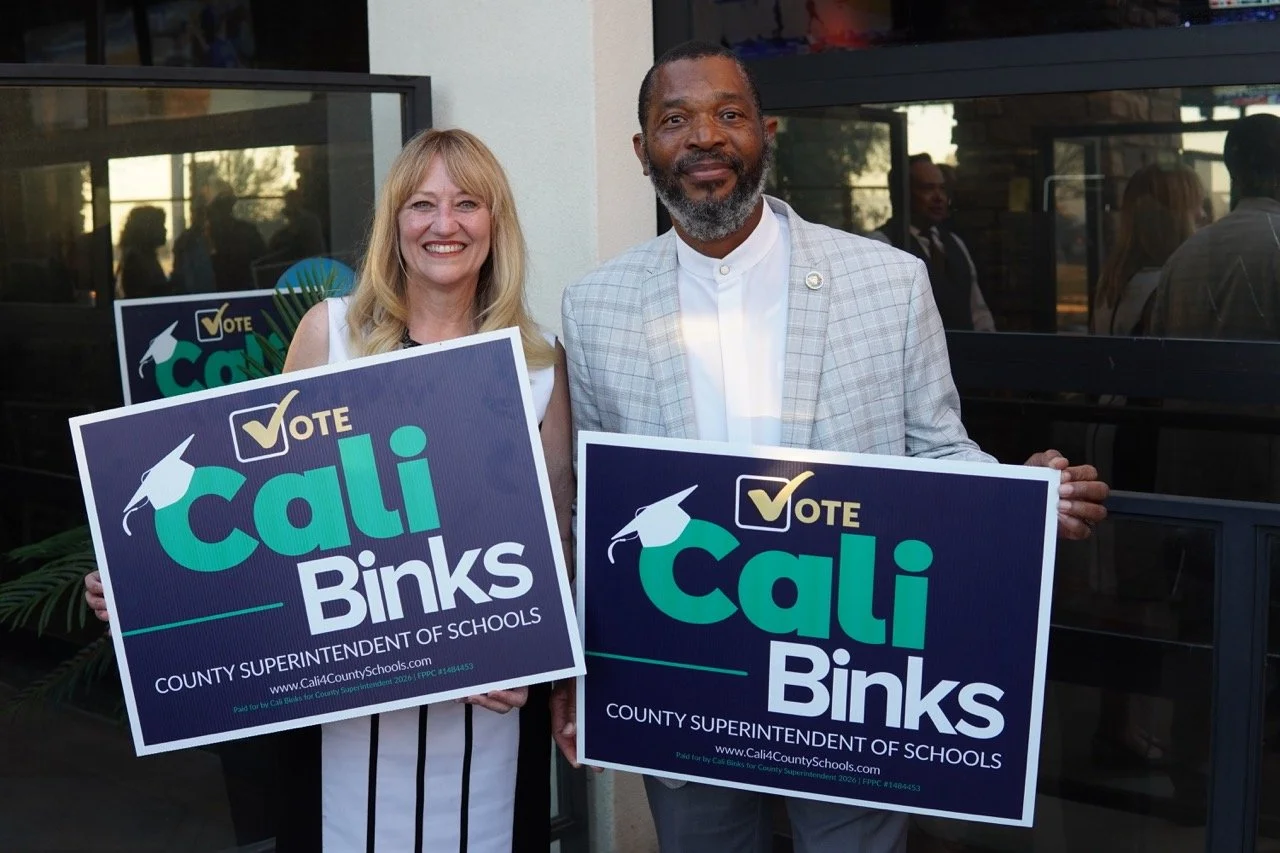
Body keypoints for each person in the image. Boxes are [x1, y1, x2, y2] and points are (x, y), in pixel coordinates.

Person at [554, 40, 1108, 853]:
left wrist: (1021, 498)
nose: (705, 137)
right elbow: (593, 504)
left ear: (767, 133)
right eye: (675, 120)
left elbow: (937, 450)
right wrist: (579, 667)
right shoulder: (593, 305)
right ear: (643, 150)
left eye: (729, 114)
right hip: (684, 672)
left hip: (844, 678)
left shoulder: (888, 281)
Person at [86, 128, 574, 852]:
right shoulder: (333, 334)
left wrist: (533, 654)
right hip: (342, 712)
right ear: (393, 223)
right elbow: (265, 512)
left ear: (495, 223)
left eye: (468, 203)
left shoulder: (536, 364)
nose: (444, 224)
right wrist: (146, 587)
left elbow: (557, 538)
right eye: (422, 204)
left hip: (490, 710)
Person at [1086, 163, 1205, 769]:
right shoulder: (1167, 281)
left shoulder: (1118, 276)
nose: (1204, 216)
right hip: (1139, 443)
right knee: (1139, 592)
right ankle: (1119, 726)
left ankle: (1117, 720)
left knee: (1123, 590)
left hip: (1108, 435)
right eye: (1197, 206)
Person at [870, 153, 996, 331]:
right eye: (927, 188)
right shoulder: (882, 244)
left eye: (942, 189)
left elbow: (977, 310)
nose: (939, 198)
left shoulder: (954, 243)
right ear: (903, 194)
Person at [115, 205, 170, 298]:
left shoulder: (140, 257)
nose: (165, 230)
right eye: (161, 225)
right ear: (148, 228)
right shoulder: (137, 260)